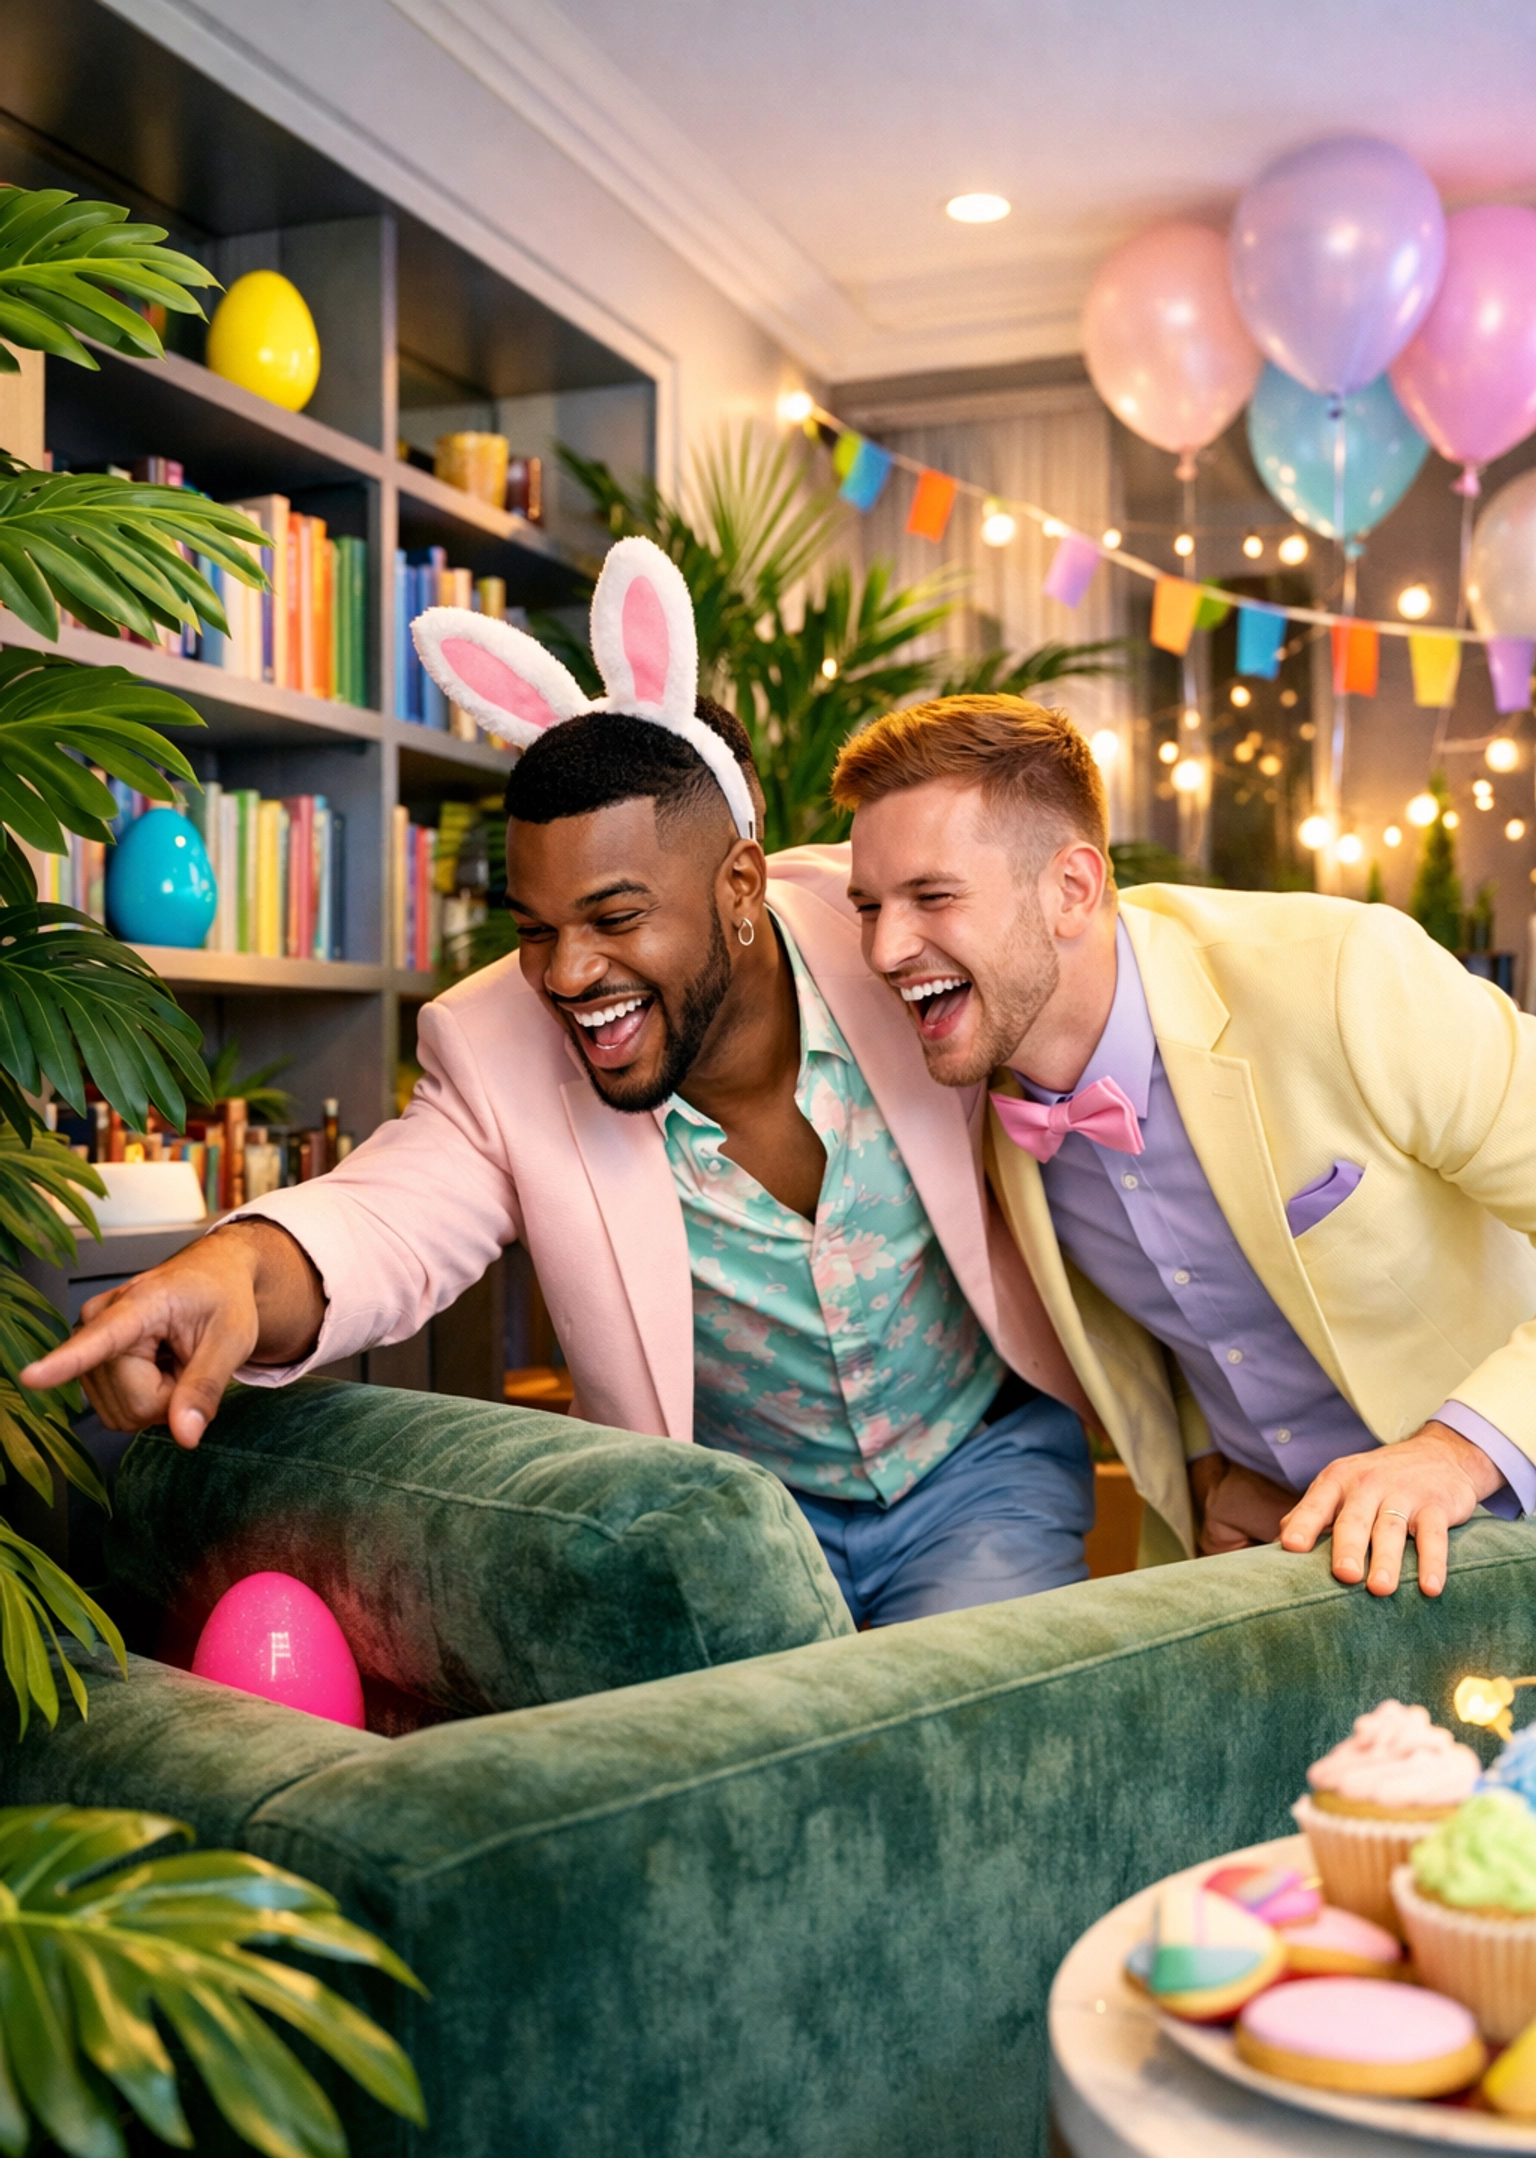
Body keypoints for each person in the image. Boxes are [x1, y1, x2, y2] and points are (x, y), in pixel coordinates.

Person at [22, 542, 1094, 1628]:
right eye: (537, 930)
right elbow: (386, 1218)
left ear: (739, 885)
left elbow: (1120, 1035)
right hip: (732, 1522)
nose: (569, 974)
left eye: (616, 919)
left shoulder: (900, 944)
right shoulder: (497, 1043)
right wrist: (239, 1268)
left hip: (977, 1473)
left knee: (970, 1742)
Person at [836, 690, 1536, 1601]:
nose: (887, 949)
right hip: (1279, 1576)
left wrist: (1457, 1452)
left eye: (932, 896)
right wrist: (1210, 1465)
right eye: (868, 905)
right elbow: (1175, 1319)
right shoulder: (975, 1104)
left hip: (1505, 1529)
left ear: (1072, 889)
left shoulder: (1345, 976)